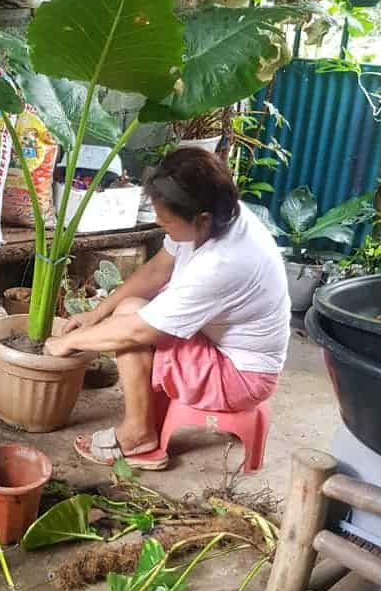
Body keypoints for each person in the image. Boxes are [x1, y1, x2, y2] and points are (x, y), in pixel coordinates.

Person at [44, 146, 290, 471]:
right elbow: (159, 268)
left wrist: (69, 342)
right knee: (127, 310)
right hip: (222, 347)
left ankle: (138, 437)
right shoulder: (216, 213)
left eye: (166, 218)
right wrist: (96, 313)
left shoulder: (225, 261)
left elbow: (139, 330)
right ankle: (146, 420)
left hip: (241, 376)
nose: (159, 222)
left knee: (129, 327)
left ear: (200, 219)